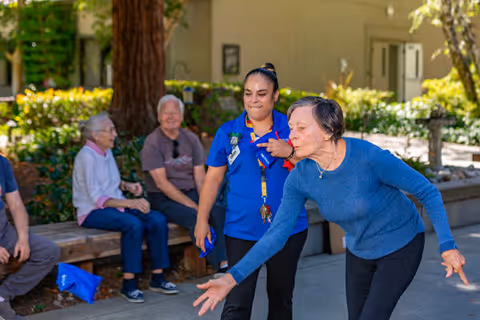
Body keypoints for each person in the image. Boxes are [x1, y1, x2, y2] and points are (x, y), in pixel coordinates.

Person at [193, 96, 468, 320]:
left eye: (301, 128)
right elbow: (276, 235)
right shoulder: (300, 176)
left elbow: (427, 191)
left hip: (401, 244)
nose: (292, 136)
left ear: (327, 131)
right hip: (360, 250)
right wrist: (231, 279)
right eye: (290, 128)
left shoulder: (368, 158)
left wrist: (447, 246)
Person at [194, 63, 309, 320]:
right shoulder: (228, 132)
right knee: (237, 301)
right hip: (242, 230)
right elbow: (212, 180)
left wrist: (290, 151)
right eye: (248, 93)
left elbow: (318, 167)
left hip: (286, 229)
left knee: (281, 299)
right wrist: (201, 220)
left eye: (261, 93)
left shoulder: (292, 128)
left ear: (275, 96)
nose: (253, 100)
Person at [72, 112, 178, 304]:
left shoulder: (106, 152)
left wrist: (127, 186)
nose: (115, 134)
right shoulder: (86, 157)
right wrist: (129, 202)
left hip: (114, 207)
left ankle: (158, 278)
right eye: (110, 130)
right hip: (91, 212)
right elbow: (97, 198)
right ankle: (129, 284)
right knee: (133, 224)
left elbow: (110, 183)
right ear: (96, 135)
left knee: (157, 219)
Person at [141, 95, 228, 275]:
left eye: (175, 112)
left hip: (192, 192)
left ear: (181, 116)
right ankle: (216, 265)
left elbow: (200, 177)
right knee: (195, 216)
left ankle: (226, 262)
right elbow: (162, 183)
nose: (171, 117)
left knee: (218, 211)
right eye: (166, 113)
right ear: (159, 116)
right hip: (163, 198)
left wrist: (205, 200)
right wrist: (195, 206)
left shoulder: (191, 139)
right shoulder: (152, 142)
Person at [0, 155, 60, 320]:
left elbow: (16, 204)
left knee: (48, 251)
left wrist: (23, 238)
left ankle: (2, 296)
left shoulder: (2, 163)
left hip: (3, 230)